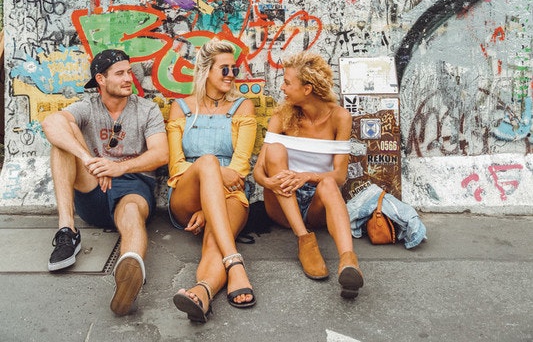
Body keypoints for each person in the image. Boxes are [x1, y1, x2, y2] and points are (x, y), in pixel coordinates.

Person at [42, 49, 169, 316]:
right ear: (100, 79)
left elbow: (160, 154)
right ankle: (67, 232)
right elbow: (51, 122)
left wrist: (117, 167)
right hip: (94, 186)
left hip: (133, 187)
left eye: (129, 72)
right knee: (63, 138)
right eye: (120, 73)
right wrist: (89, 160)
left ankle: (129, 270)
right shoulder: (88, 106)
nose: (129, 78)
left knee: (132, 213)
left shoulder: (146, 109)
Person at [253, 51, 364, 298]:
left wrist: (308, 176)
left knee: (327, 183)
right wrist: (269, 182)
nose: (281, 87)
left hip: (317, 205)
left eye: (287, 82)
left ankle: (348, 260)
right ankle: (304, 240)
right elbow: (258, 171)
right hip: (282, 202)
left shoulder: (339, 117)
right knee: (275, 149)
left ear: (307, 89)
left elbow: (340, 176)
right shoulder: (281, 116)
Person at [167, 38, 257, 322]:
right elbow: (178, 167)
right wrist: (209, 190)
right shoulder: (181, 108)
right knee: (207, 161)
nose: (232, 75)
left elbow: (239, 170)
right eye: (225, 70)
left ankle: (202, 291)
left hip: (229, 194)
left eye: (235, 69)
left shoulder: (243, 108)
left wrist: (210, 207)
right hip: (187, 194)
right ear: (206, 70)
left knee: (215, 240)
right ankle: (236, 263)